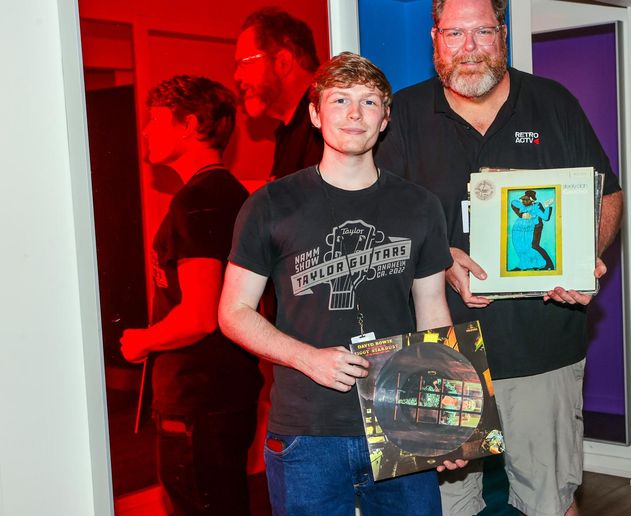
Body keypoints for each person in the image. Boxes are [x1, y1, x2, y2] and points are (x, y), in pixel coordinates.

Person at [374, 0, 625, 514]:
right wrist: (441, 258)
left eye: (483, 31)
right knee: (446, 507)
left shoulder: (553, 103)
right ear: (435, 38)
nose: (469, 48)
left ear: (503, 33)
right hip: (438, 354)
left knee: (549, 501)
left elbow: (608, 196)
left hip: (542, 349)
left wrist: (585, 256)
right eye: (455, 33)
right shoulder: (401, 117)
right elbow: (378, 221)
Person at [218, 52, 465, 516]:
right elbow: (233, 312)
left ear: (385, 119)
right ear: (315, 114)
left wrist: (446, 420)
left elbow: (433, 310)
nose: (355, 114)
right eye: (340, 100)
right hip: (306, 431)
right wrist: (307, 358)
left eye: (369, 102)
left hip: (401, 421)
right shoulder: (270, 204)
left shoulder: (420, 206)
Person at [120, 75, 263, 515]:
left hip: (198, 397)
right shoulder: (233, 194)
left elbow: (200, 314)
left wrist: (141, 341)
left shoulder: (197, 201)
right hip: (227, 390)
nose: (146, 131)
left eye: (155, 120)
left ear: (190, 125)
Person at [235, 6, 323, 179]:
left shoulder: (327, 120)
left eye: (245, 62)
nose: (236, 76)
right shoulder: (289, 130)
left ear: (283, 62)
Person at [509, 190, 554, 271]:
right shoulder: (522, 207)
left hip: (532, 229)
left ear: (532, 199)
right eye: (523, 199)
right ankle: (525, 265)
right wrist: (522, 213)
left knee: (533, 246)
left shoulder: (536, 206)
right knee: (520, 246)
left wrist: (547, 206)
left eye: (526, 199)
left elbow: (545, 217)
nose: (523, 201)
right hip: (519, 229)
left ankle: (548, 264)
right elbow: (513, 202)